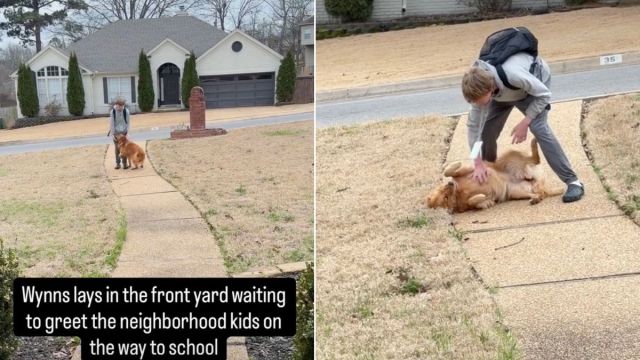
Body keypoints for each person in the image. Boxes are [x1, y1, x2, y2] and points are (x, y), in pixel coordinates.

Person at [461, 51, 584, 203]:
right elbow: (474, 130)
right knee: (486, 133)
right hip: (502, 94)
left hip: (530, 91)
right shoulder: (479, 92)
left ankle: (573, 181)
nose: (478, 105)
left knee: (538, 128)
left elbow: (544, 95)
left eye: (480, 100)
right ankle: (492, 178)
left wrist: (526, 121)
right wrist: (477, 162)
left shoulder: (514, 75)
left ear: (489, 89)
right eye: (476, 102)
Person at [108, 98, 130, 169]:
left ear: (123, 106)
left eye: (121, 107)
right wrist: (113, 134)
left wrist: (127, 133)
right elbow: (112, 124)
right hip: (116, 133)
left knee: (124, 149)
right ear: (116, 105)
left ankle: (125, 164)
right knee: (117, 149)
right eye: (118, 106)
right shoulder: (113, 112)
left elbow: (128, 123)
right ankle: (118, 164)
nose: (120, 108)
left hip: (124, 133)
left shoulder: (126, 111)